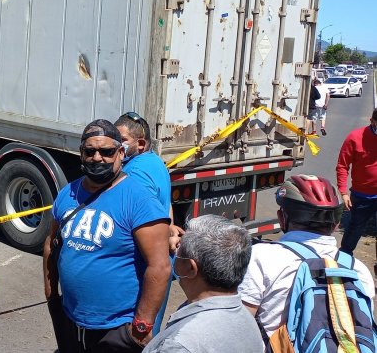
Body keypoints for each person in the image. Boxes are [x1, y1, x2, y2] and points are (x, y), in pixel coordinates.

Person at [43, 119, 171, 352]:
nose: (97, 157)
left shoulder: (139, 199)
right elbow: (52, 246)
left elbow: (160, 267)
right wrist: (52, 298)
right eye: (90, 151)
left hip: (118, 329)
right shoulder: (67, 193)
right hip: (70, 319)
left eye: (106, 151)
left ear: (120, 153)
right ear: (81, 153)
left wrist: (140, 328)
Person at [239, 175, 375, 341]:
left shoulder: (260, 257)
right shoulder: (358, 269)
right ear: (336, 224)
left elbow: (240, 327)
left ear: (282, 218)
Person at [144, 215, 263, 353]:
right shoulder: (248, 322)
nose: (175, 249)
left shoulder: (179, 345)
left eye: (179, 248)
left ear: (190, 268)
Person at [115, 112, 182, 334]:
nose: (116, 144)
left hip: (145, 266)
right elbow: (165, 204)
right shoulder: (155, 162)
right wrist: (170, 227)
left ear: (140, 143)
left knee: (136, 333)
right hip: (161, 259)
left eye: (121, 140)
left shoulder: (134, 173)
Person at [337, 108, 377, 257]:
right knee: (355, 229)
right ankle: (344, 260)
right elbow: (342, 165)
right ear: (372, 121)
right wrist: (343, 192)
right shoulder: (355, 138)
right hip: (362, 197)